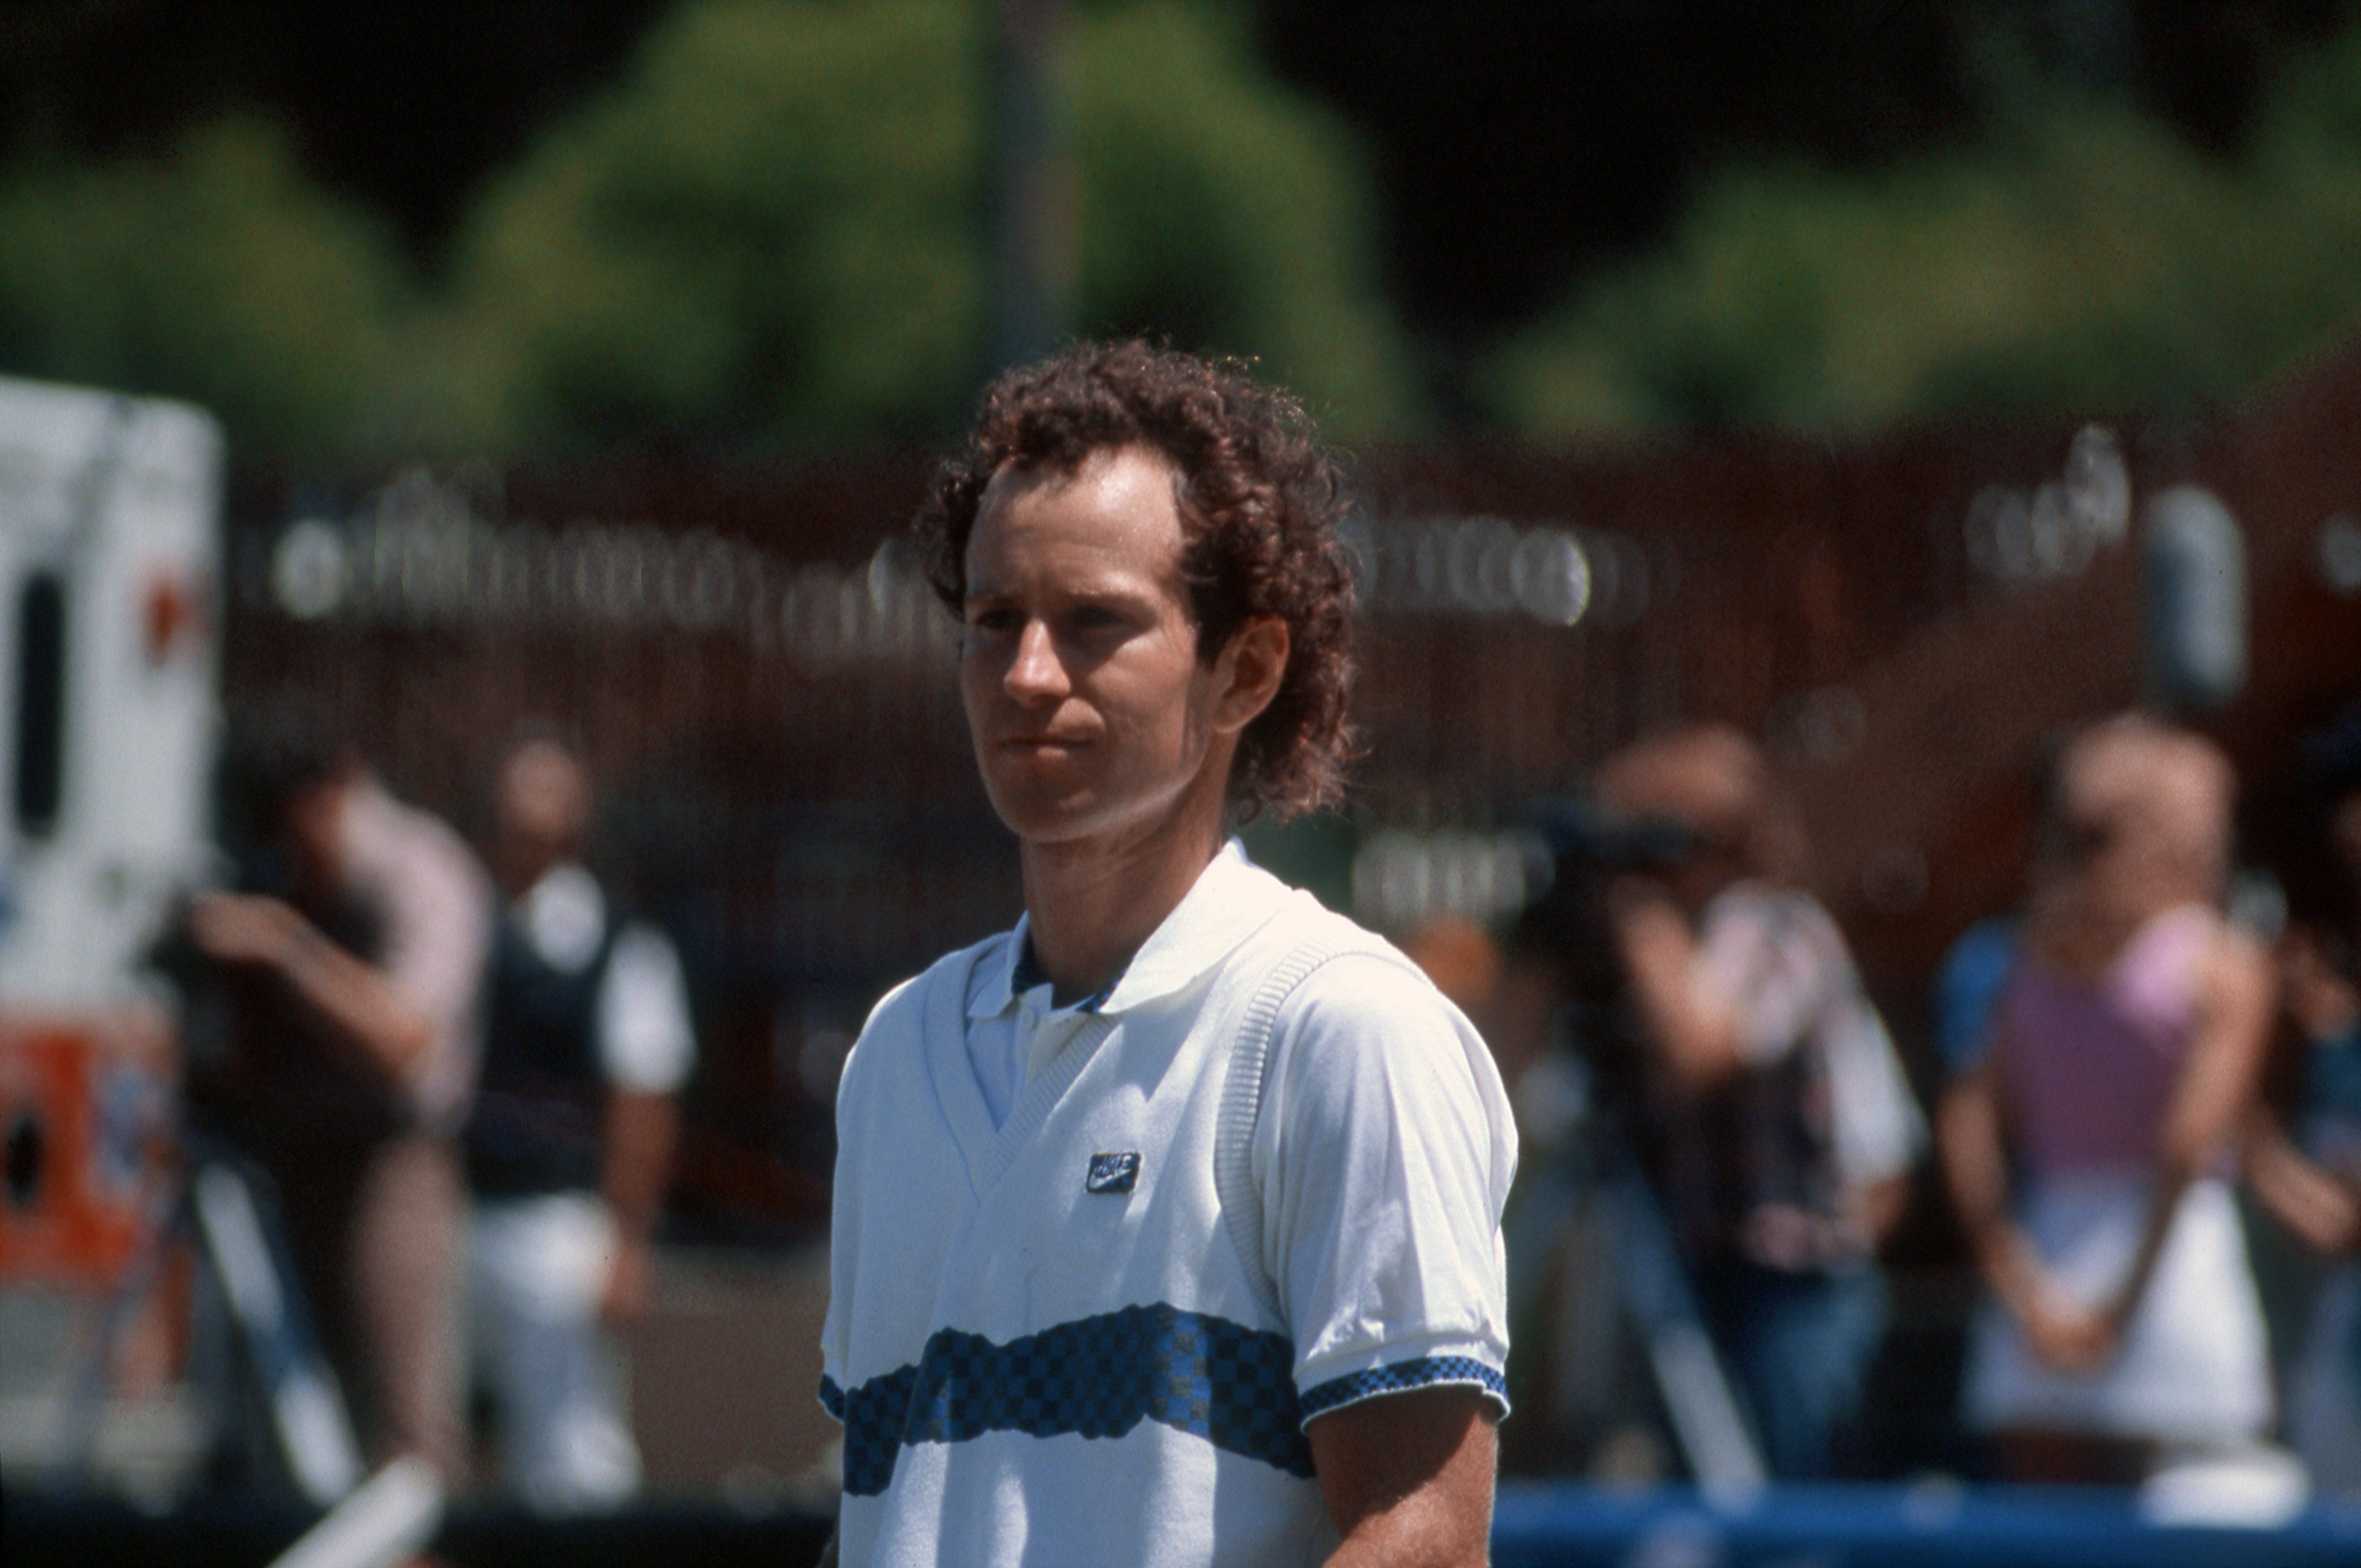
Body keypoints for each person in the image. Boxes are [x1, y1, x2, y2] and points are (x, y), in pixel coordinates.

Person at [817, 342, 1516, 1567]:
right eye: (992, 621)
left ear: (1246, 669)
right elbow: (890, 1510)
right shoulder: (896, 1049)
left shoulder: (1340, 1028)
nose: (1028, 673)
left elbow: (1425, 1540)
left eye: (1094, 623)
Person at [1940, 715, 2275, 1483]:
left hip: (2049, 1253)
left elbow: (1968, 1126)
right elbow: (2189, 1143)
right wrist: (2120, 1306)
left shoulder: (2013, 961)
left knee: (2046, 1525)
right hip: (2175, 1269)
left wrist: (2021, 1289)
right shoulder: (2223, 962)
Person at [1596, 723, 1924, 1480]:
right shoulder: (1662, 944)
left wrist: (1640, 924)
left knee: (1792, 1501)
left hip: (1792, 1281)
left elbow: (1704, 1052)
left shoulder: (1777, 929)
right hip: (1689, 1263)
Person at [189, 741, 489, 1484]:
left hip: (389, 1171)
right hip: (283, 1162)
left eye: (296, 828)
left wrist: (286, 946)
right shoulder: (276, 875)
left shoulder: (421, 870)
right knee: (279, 1424)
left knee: (404, 1436)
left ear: (335, 794)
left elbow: (404, 1042)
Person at [463, 736, 695, 1511]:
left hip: (557, 1225)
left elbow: (644, 1097)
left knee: (568, 1453)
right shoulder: (468, 920)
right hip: (459, 1211)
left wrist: (628, 1242)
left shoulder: (620, 942)